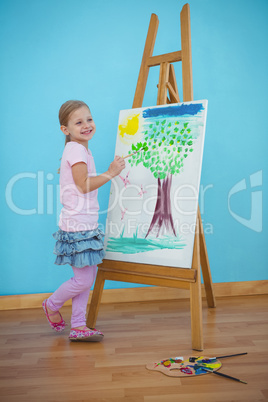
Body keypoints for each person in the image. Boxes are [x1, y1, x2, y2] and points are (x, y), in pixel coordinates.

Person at [42, 100, 125, 342]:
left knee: (84, 280)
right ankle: (51, 304)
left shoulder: (81, 149)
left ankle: (79, 325)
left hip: (85, 225)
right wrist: (111, 173)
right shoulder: (76, 150)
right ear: (65, 129)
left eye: (89, 119)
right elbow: (83, 185)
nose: (87, 125)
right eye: (79, 122)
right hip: (77, 226)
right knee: (83, 279)